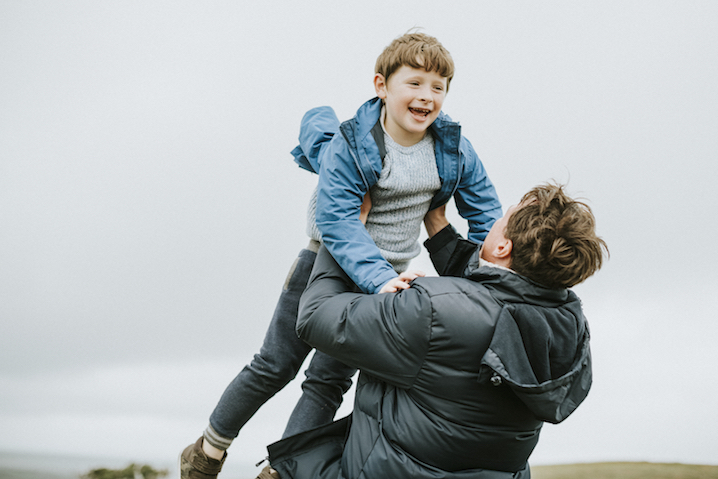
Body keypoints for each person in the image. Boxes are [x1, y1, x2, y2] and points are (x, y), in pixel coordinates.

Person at [180, 32, 502, 479]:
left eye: (438, 87)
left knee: (329, 381)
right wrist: (376, 278)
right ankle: (207, 452)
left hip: (386, 278)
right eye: (414, 83)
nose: (427, 97)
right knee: (275, 364)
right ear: (381, 85)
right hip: (323, 265)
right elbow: (338, 220)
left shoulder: (452, 148)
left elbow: (485, 210)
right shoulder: (353, 145)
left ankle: (281, 472)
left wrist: (486, 273)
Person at [258, 182, 608, 479]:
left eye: (503, 218)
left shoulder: (430, 309)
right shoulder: (568, 326)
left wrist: (347, 232)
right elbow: (491, 296)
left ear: (503, 247)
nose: (495, 221)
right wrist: (437, 222)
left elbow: (316, 316)